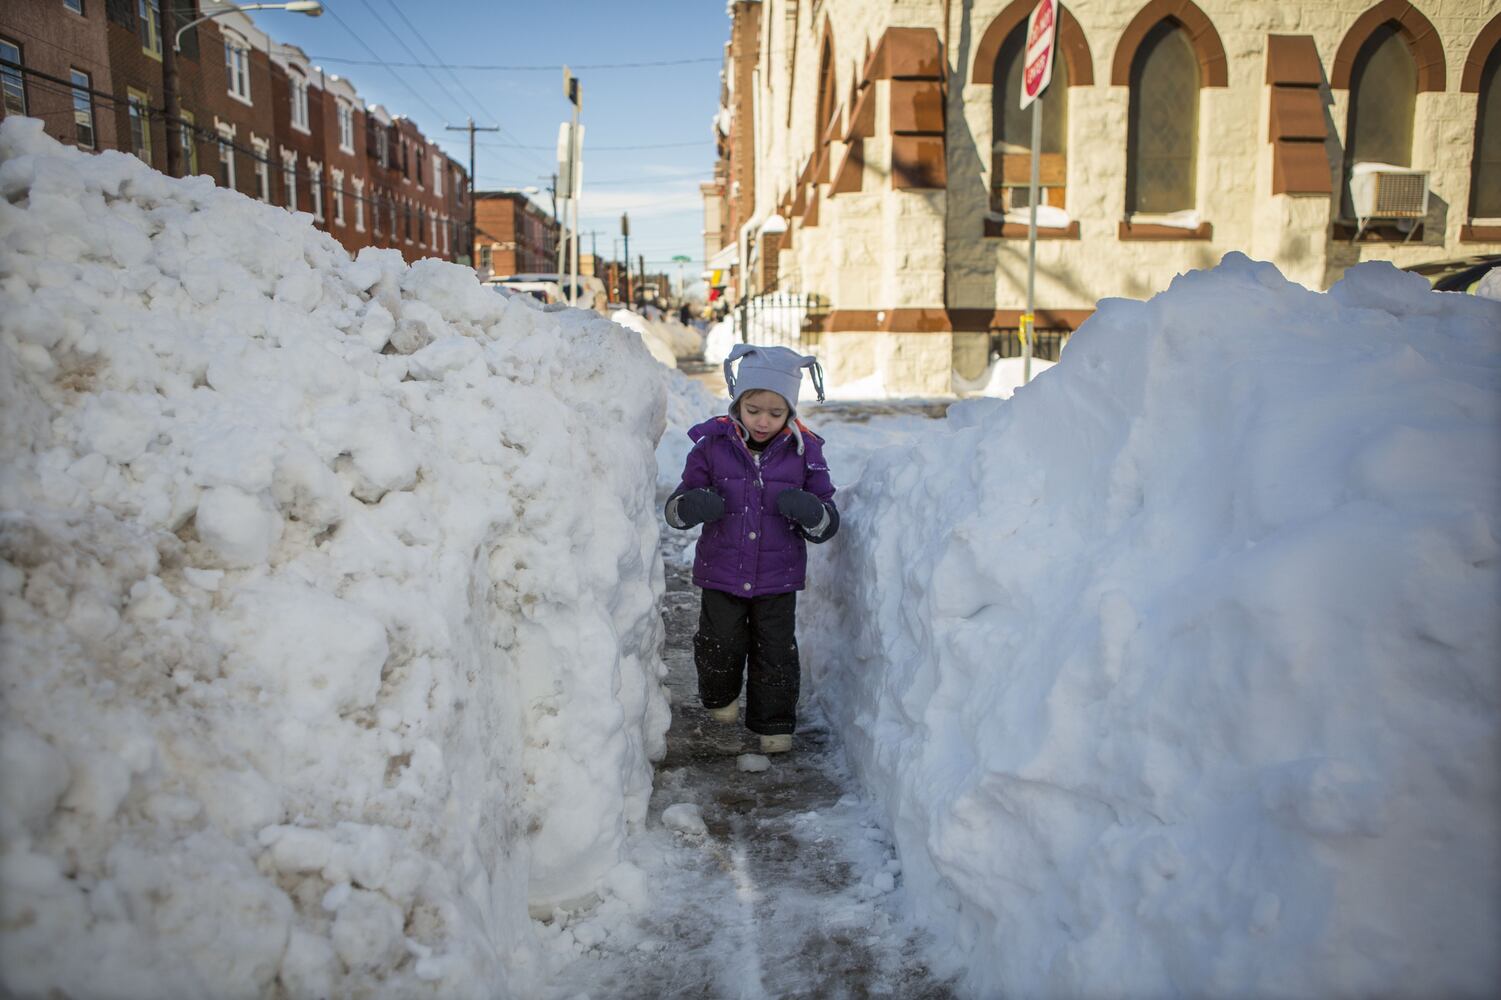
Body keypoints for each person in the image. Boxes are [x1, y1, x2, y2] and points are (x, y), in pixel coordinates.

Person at [664, 344, 839, 754]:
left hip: (778, 579)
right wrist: (693, 505)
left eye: (776, 413)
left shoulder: (806, 452)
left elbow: (827, 520)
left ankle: (773, 724)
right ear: (738, 403)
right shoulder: (711, 446)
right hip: (721, 572)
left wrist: (812, 511)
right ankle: (720, 701)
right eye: (754, 409)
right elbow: (675, 509)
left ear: (791, 413)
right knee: (718, 643)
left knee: (776, 654)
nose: (763, 421)